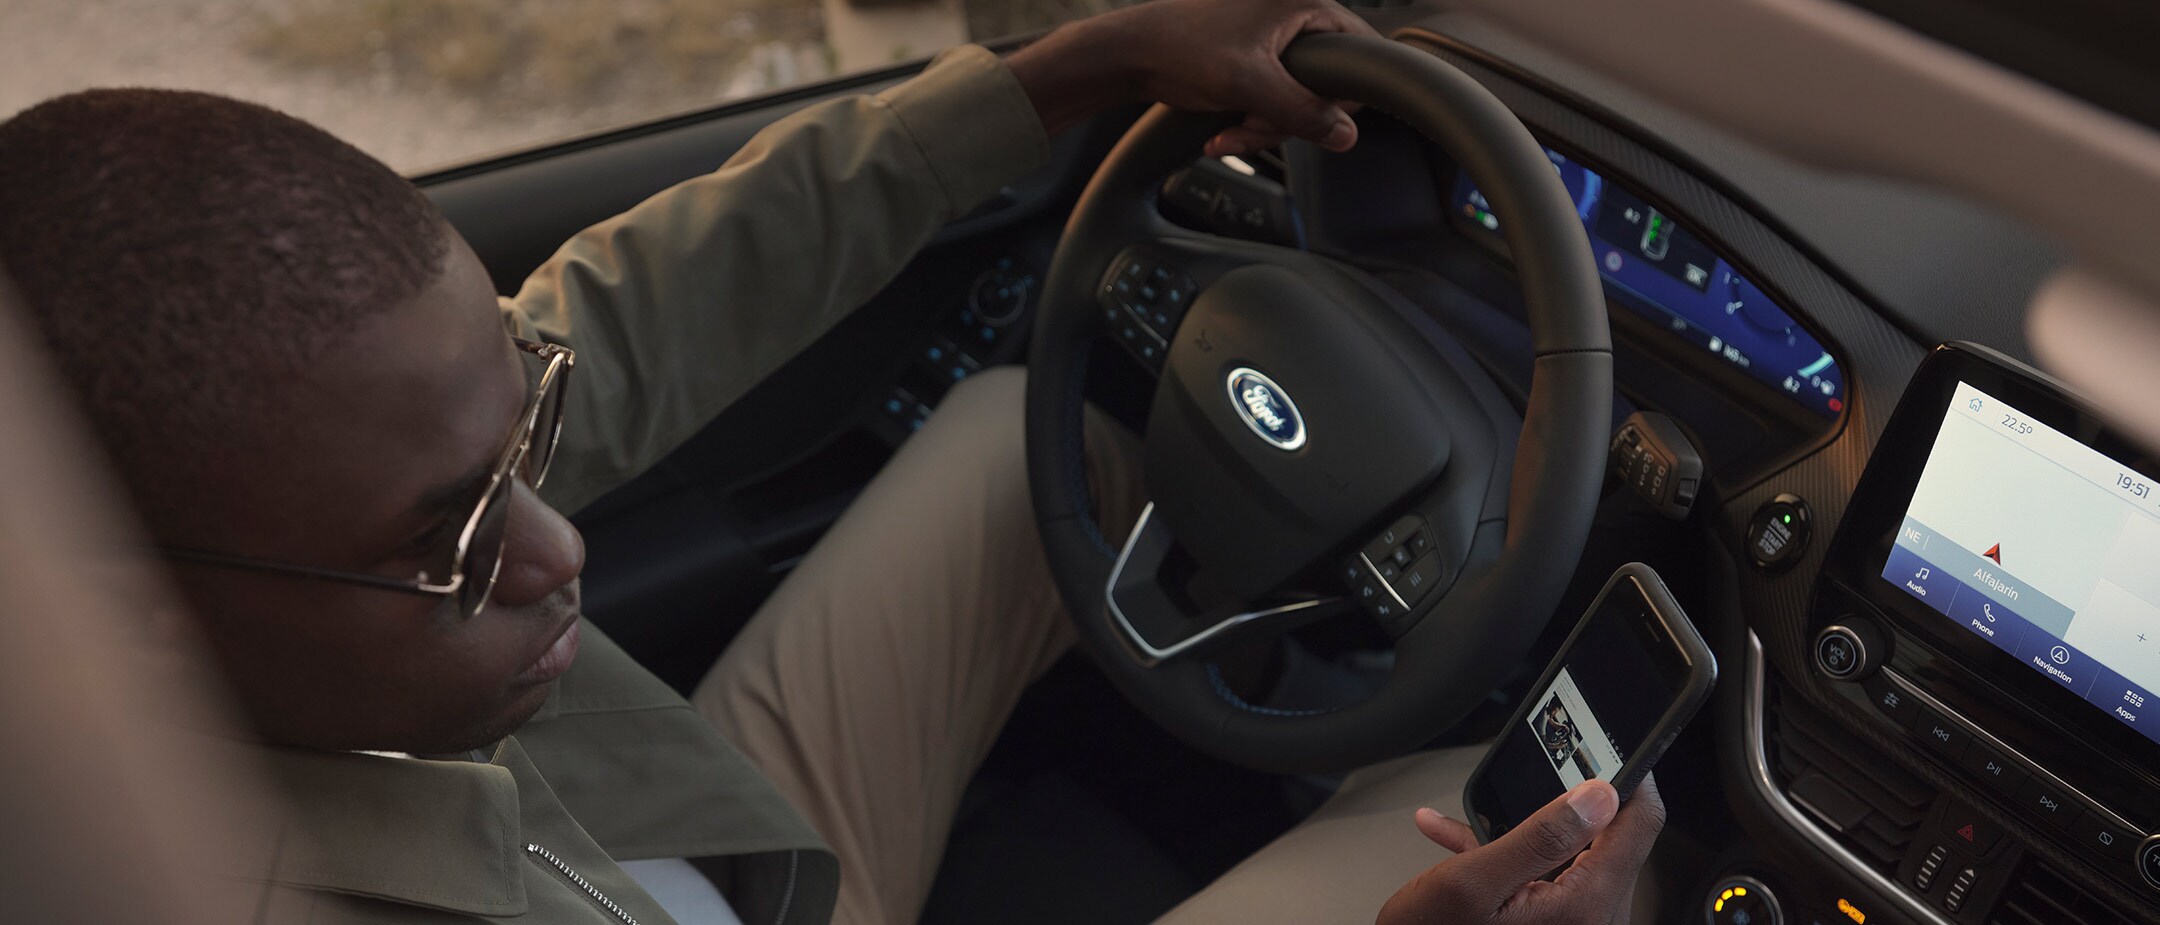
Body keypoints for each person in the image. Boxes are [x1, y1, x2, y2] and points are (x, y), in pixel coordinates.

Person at [0, 0, 1663, 921]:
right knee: (1508, 820)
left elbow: (630, 306)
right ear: (132, 627)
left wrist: (1064, 74)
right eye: (451, 539)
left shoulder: (279, 516)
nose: (553, 543)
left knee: (1023, 458)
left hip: (692, 863)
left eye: (524, 436)